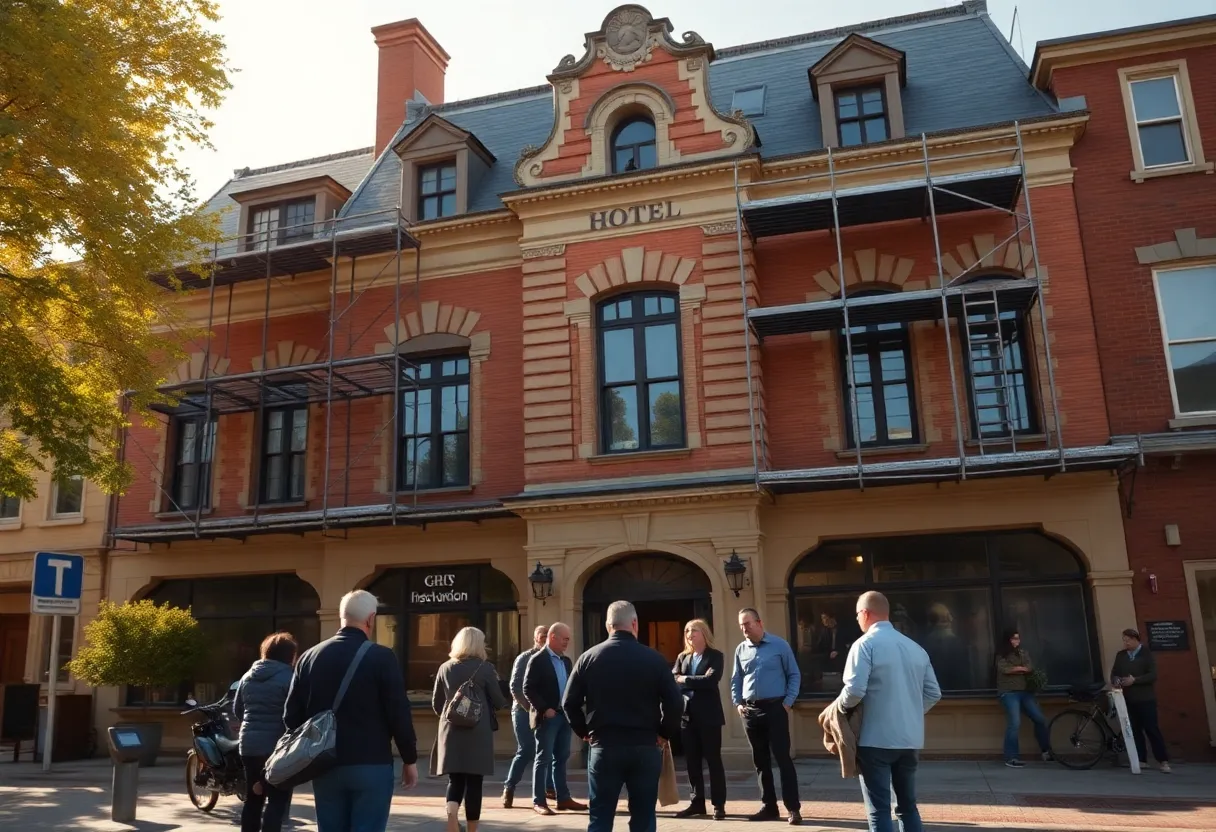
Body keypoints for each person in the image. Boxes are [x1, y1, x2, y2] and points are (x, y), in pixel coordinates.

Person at [284, 590, 419, 832]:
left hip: (324, 765)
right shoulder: (382, 657)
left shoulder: (309, 657)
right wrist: (409, 758)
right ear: (370, 619)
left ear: (341, 617)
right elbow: (398, 712)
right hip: (371, 763)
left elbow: (291, 716)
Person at [564, 600, 684, 832]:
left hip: (604, 744)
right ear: (635, 623)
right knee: (644, 816)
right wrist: (664, 733)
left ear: (608, 625)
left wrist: (583, 732)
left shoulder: (589, 657)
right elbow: (675, 702)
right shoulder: (654, 659)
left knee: (600, 816)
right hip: (645, 744)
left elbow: (569, 702)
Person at [835, 591, 941, 832]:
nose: (857, 620)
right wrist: (911, 711)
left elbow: (854, 690)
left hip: (875, 739)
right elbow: (934, 693)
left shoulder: (864, 645)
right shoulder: (915, 648)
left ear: (865, 613)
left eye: (857, 615)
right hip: (909, 739)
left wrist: (839, 709)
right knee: (907, 806)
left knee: (879, 810)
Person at [433, 626, 509, 832]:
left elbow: (436, 704)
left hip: (451, 731)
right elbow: (499, 700)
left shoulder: (445, 667)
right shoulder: (485, 668)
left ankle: (451, 821)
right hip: (478, 732)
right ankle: (472, 829)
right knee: (475, 782)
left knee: (455, 779)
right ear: (478, 644)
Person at [731, 607, 802, 825]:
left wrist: (788, 703)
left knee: (783, 759)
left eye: (748, 624)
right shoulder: (741, 649)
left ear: (759, 623)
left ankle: (793, 809)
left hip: (776, 708)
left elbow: (794, 674)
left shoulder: (780, 645)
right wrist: (738, 703)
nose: (744, 629)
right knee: (760, 762)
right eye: (741, 625)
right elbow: (736, 678)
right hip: (751, 711)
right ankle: (769, 807)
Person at [234, 631, 298, 832]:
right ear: (289, 655)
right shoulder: (291, 677)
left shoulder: (247, 677)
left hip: (249, 746)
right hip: (278, 749)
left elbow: (238, 710)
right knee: (277, 801)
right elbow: (295, 714)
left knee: (252, 800)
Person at [523, 622, 586, 815]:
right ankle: (539, 801)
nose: (567, 642)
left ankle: (563, 798)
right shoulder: (537, 659)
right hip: (547, 718)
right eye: (565, 639)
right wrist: (544, 709)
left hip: (564, 716)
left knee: (561, 758)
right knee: (543, 759)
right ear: (553, 637)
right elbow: (528, 688)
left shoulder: (566, 661)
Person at [672, 619, 726, 820]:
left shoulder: (715, 656)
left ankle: (718, 804)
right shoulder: (683, 657)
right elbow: (672, 679)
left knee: (713, 761)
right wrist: (686, 680)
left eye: (693, 630)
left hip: (709, 717)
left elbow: (711, 680)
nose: (689, 634)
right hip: (688, 716)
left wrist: (684, 680)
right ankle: (697, 803)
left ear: (704, 633)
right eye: (686, 631)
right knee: (692, 762)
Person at [503, 625, 551, 808]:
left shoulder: (553, 658)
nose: (544, 638)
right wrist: (532, 708)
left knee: (546, 751)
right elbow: (515, 687)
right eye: (541, 635)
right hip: (523, 712)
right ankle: (509, 787)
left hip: (545, 712)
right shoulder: (524, 658)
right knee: (526, 749)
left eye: (547, 635)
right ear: (535, 637)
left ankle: (549, 789)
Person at [1111, 628, 1171, 773]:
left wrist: (1135, 680)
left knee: (1152, 729)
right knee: (1134, 730)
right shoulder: (1121, 656)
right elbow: (1114, 673)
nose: (1125, 643)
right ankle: (1141, 760)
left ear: (1135, 639)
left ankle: (1163, 761)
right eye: (1124, 640)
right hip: (1129, 699)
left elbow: (1152, 675)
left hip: (1146, 698)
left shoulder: (1146, 654)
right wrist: (1117, 680)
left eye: (1128, 640)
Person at [995, 629, 1051, 768]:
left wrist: (1018, 668)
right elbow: (1005, 669)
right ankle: (1011, 757)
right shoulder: (1001, 654)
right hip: (1008, 692)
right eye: (1014, 638)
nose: (1016, 641)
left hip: (1025, 692)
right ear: (1008, 640)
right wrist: (1020, 668)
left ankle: (1046, 751)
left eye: (1018, 639)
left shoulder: (1023, 652)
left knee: (1039, 719)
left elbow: (1029, 667)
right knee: (1015, 723)